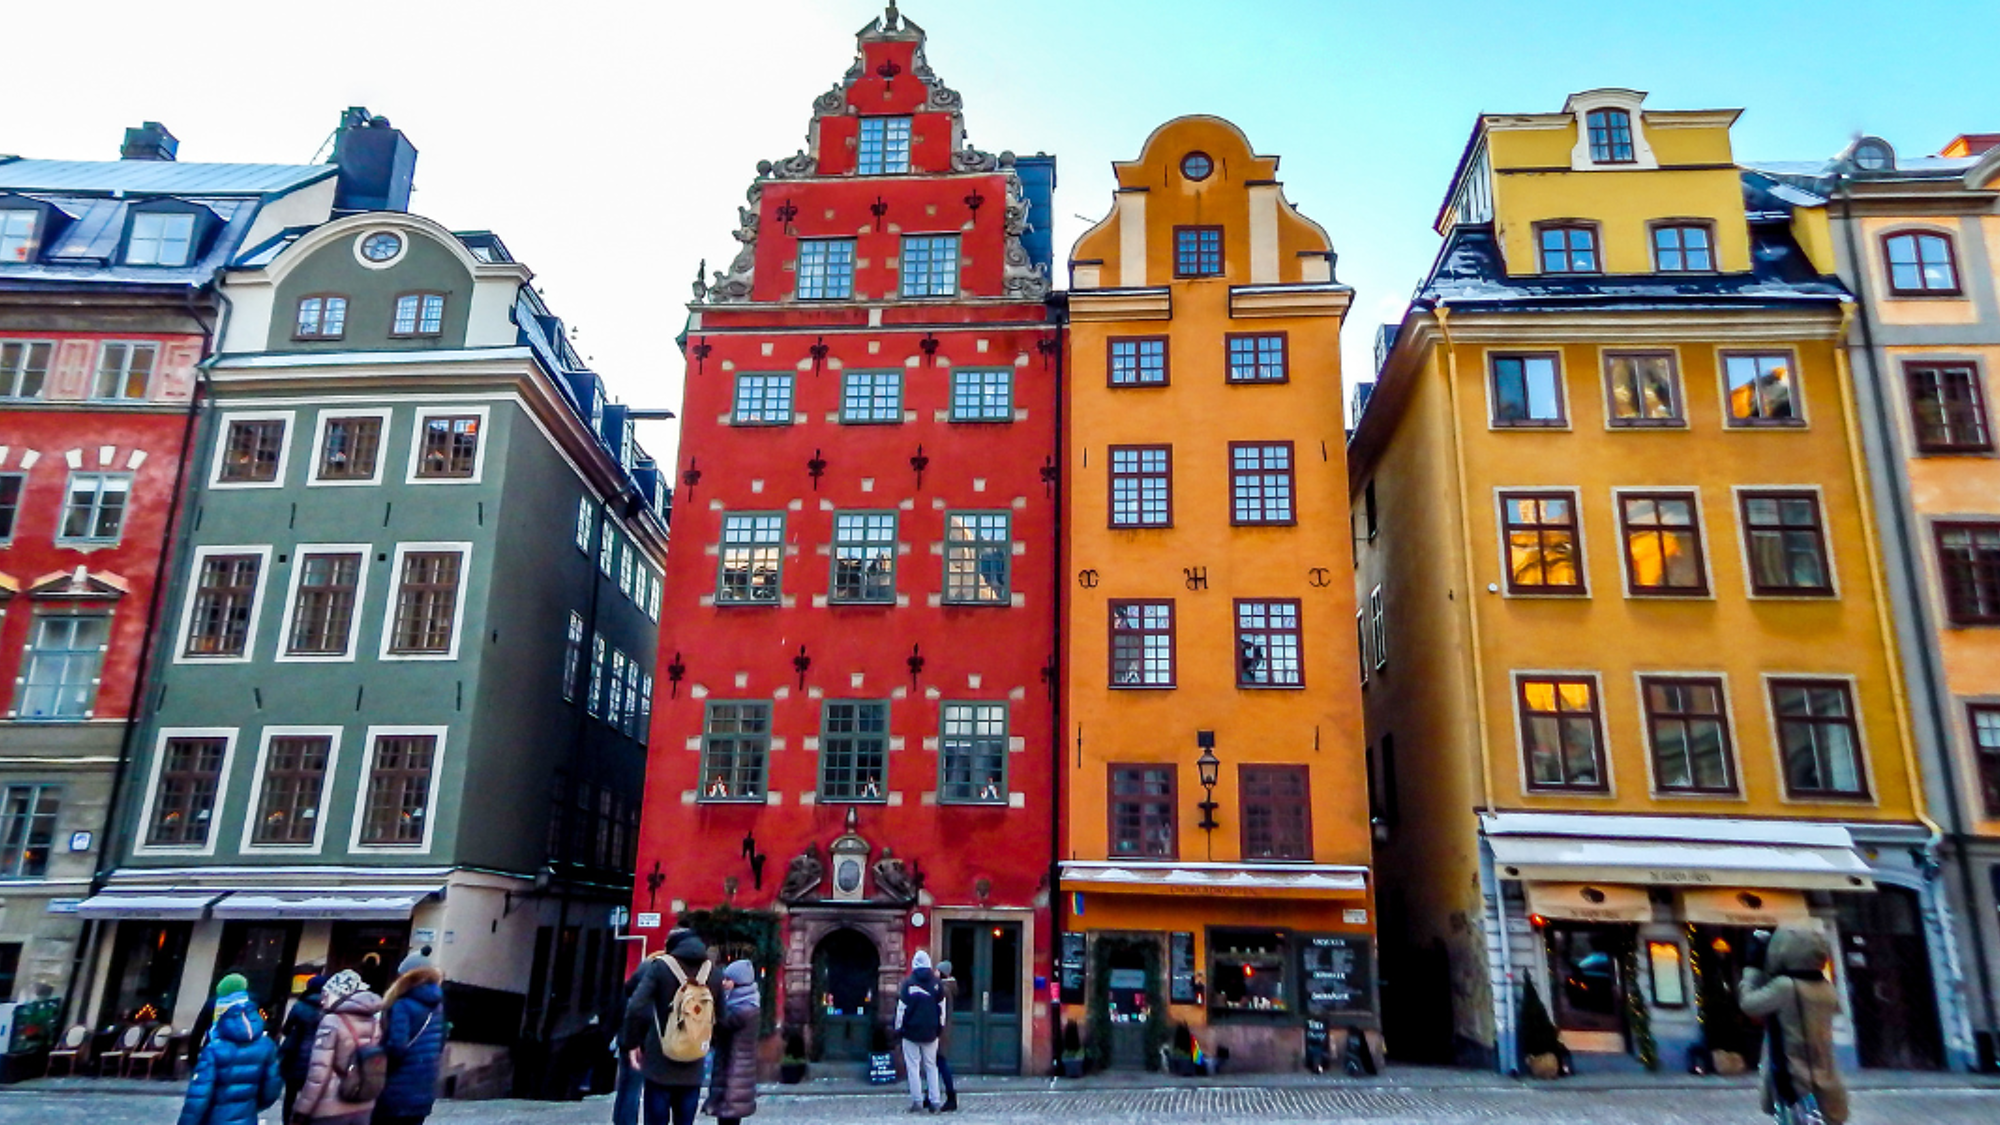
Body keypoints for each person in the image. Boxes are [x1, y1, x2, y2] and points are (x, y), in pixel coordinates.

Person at [1741, 925, 1848, 1125]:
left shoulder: (1786, 987)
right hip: (1822, 1077)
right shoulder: (1825, 987)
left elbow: (1750, 1004)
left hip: (1792, 1078)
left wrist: (1753, 968)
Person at [621, 929, 713, 1125]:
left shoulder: (660, 968)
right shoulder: (711, 972)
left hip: (659, 1061)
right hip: (693, 1062)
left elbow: (635, 1007)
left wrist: (632, 1043)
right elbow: (721, 1017)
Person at [176, 974, 282, 1125]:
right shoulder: (266, 1045)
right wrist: (249, 1107)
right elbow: (271, 1090)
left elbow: (198, 1099)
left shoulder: (213, 1049)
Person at [294, 969, 386, 1125]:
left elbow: (318, 1074)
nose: (322, 1001)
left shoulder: (331, 1021)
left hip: (329, 1110)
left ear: (340, 995)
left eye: (326, 995)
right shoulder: (374, 1021)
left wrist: (301, 1110)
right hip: (363, 1106)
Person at [373, 952, 447, 1125]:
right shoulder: (437, 1005)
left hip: (397, 1089)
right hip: (424, 1086)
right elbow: (440, 1043)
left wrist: (379, 1057)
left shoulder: (402, 1005)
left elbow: (396, 1047)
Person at [703, 960, 760, 1125]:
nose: (723, 983)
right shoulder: (743, 1002)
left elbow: (722, 1025)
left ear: (738, 982)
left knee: (729, 1115)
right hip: (733, 1067)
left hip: (735, 1070)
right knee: (728, 1115)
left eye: (727, 979)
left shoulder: (744, 1008)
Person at [894, 950, 945, 1114]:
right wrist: (940, 1027)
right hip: (931, 1031)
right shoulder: (937, 984)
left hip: (910, 1031)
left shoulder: (908, 983)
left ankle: (917, 1101)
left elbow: (901, 1009)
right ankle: (935, 1101)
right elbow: (941, 1009)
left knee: (913, 1067)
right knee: (931, 1067)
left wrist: (898, 1028)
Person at [280, 969, 330, 1121]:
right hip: (318, 1058)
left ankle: (286, 1120)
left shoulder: (299, 1006)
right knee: (311, 1096)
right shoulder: (328, 1009)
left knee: (290, 1095)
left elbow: (286, 1029)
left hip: (296, 1057)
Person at [933, 960, 959, 1113]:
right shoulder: (946, 988)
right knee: (936, 1064)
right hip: (944, 1030)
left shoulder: (943, 989)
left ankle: (950, 1096)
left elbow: (940, 1012)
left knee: (940, 1063)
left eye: (937, 970)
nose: (934, 972)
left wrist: (937, 1030)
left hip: (940, 1031)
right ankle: (931, 1095)